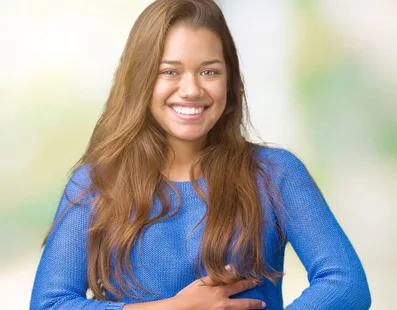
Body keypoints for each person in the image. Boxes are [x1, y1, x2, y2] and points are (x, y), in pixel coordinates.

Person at [30, 0, 371, 309]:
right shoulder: (95, 184)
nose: (192, 89)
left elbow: (346, 285)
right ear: (140, 80)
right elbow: (49, 305)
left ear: (230, 81)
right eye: (170, 72)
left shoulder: (274, 174)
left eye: (209, 71)